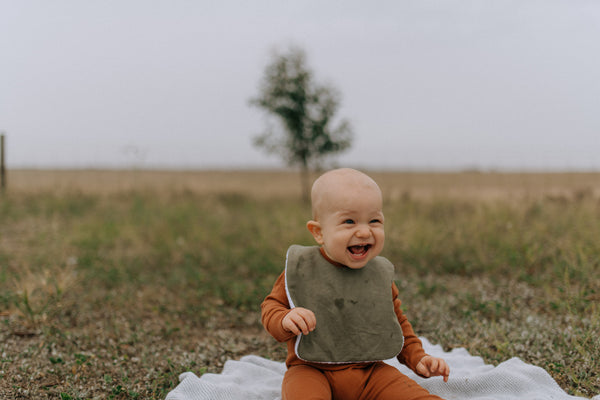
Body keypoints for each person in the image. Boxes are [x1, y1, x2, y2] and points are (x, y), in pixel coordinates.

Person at [261, 168, 450, 400]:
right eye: (349, 221)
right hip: (311, 370)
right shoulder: (303, 269)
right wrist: (285, 319)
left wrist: (418, 358)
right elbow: (270, 308)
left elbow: (396, 324)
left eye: (374, 220)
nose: (364, 231)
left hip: (370, 372)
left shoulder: (377, 275)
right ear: (319, 232)